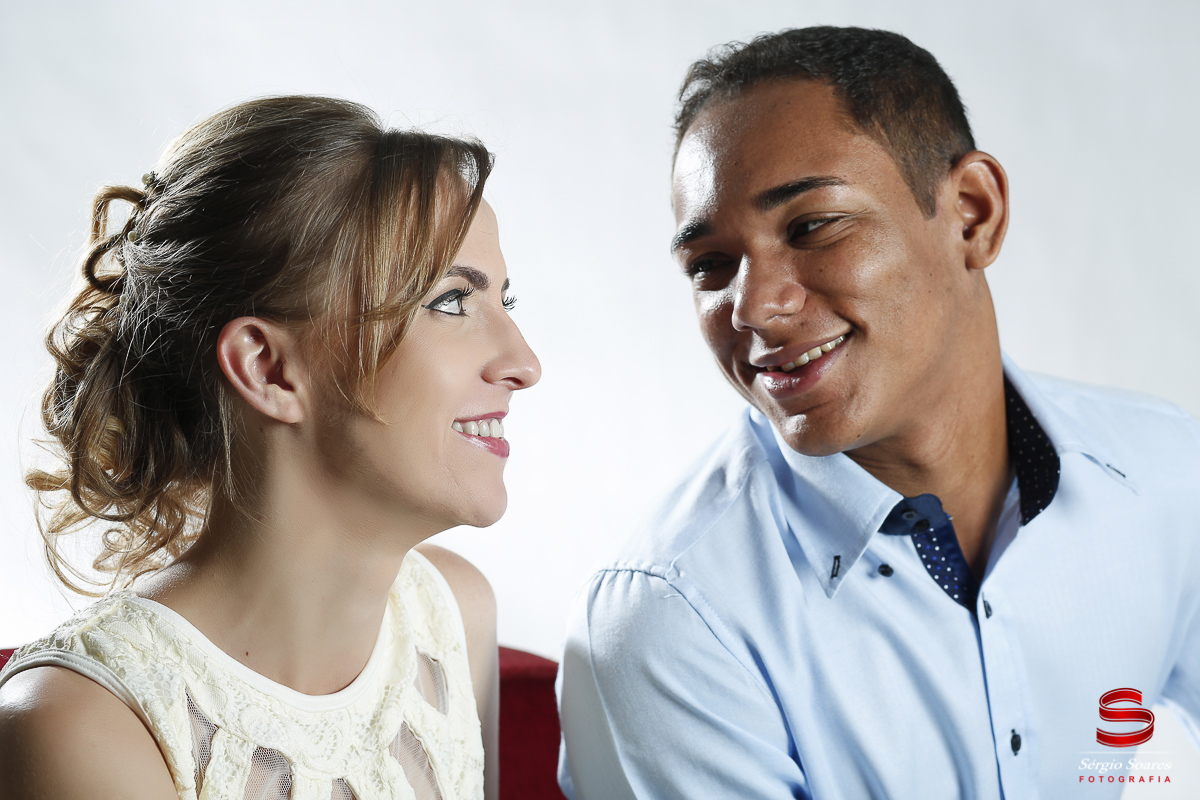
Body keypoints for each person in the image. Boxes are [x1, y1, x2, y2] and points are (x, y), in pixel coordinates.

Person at [557, 26, 1200, 799]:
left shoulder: (1169, 473)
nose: (755, 308)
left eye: (811, 227)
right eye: (710, 266)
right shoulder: (667, 620)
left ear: (972, 212)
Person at [0, 96, 539, 799]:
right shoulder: (80, 725)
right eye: (449, 301)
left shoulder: (452, 614)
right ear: (267, 368)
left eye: (506, 302)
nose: (524, 363)